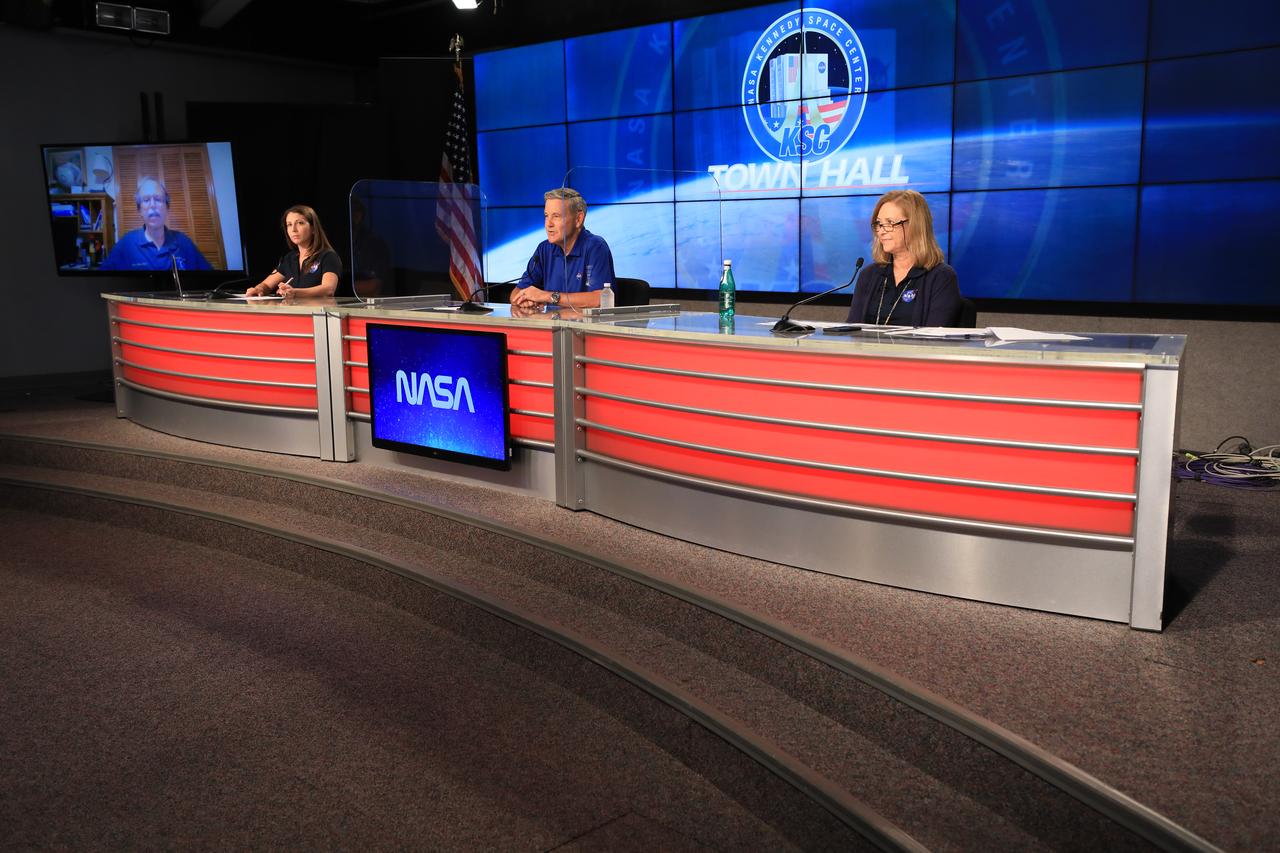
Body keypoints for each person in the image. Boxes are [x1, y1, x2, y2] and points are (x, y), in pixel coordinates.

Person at [846, 190, 961, 327]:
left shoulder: (941, 277)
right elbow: (851, 331)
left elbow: (934, 340)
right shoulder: (869, 275)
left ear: (915, 225)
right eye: (879, 224)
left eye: (890, 223)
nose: (881, 231)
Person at [510, 187, 614, 310]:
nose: (549, 224)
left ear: (578, 219)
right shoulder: (544, 249)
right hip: (552, 327)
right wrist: (524, 300)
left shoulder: (595, 247)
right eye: (546, 216)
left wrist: (549, 297)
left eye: (556, 216)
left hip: (586, 328)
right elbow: (516, 293)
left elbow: (600, 299)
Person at [99, 177, 213, 272]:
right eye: (146, 200)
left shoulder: (184, 243)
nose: (153, 205)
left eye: (158, 199)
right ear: (140, 211)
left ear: (167, 208)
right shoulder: (125, 244)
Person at [246, 205, 342, 298]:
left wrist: (295, 293)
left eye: (300, 223)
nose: (293, 229)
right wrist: (258, 289)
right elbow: (266, 285)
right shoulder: (289, 258)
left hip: (317, 313)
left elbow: (328, 290)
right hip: (294, 313)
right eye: (289, 224)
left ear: (313, 228)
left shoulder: (328, 256)